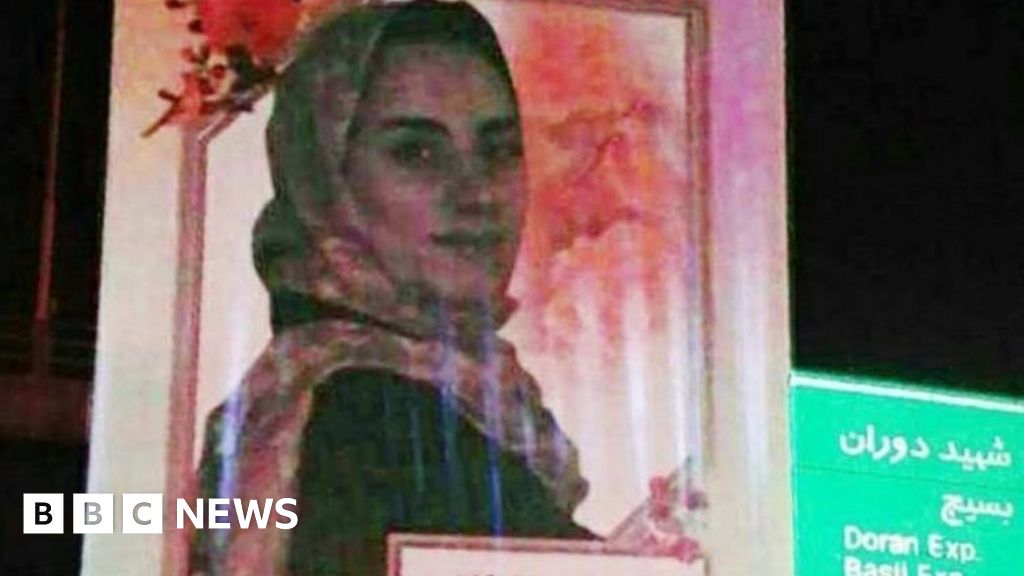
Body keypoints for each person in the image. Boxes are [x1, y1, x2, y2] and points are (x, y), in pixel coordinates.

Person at [190, 2, 592, 574]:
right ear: (324, 176)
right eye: (417, 152)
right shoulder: (375, 419)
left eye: (499, 150)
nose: (476, 193)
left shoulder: (323, 392)